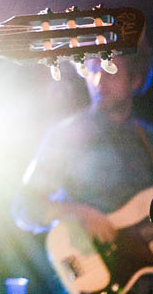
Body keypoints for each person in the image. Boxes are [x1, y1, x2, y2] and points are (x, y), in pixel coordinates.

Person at [13, 37, 153, 293]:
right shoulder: (67, 136)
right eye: (93, 69)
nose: (99, 80)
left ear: (135, 80)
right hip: (93, 278)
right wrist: (75, 212)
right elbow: (23, 207)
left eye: (111, 71)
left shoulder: (148, 139)